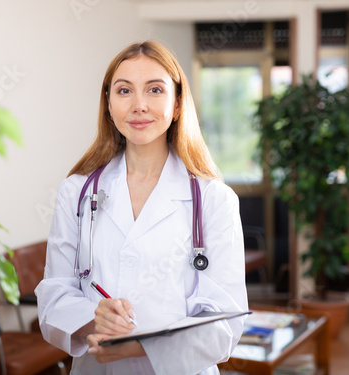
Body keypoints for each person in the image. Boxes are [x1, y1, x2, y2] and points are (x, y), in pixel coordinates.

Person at [35, 40, 248, 375]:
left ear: (177, 103)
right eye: (124, 91)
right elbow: (53, 298)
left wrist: (139, 347)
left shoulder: (214, 200)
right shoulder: (76, 191)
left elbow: (225, 325)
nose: (139, 105)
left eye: (154, 90)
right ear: (107, 103)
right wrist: (94, 319)